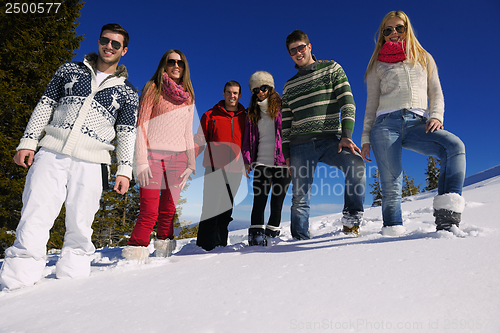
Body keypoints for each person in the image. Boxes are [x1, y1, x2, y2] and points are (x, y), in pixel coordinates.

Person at [0, 24, 139, 290]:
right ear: (98, 42)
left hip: (93, 162)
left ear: (124, 50)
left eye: (115, 44)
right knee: (35, 215)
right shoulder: (69, 70)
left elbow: (126, 132)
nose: (108, 47)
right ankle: (16, 282)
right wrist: (28, 141)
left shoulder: (128, 91)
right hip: (52, 152)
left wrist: (124, 169)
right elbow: (45, 105)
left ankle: (71, 287)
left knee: (80, 224)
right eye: (104, 41)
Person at [360, 11, 466, 235]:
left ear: (407, 29)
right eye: (387, 30)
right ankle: (392, 231)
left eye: (399, 28)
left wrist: (436, 116)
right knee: (392, 183)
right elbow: (371, 105)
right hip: (384, 125)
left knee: (454, 147)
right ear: (382, 35)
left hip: (418, 123)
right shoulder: (376, 65)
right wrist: (365, 138)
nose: (394, 33)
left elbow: (435, 91)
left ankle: (447, 220)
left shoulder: (423, 57)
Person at [282, 30, 366, 240]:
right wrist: (286, 153)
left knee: (356, 165)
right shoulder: (289, 86)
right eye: (293, 50)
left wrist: (346, 134)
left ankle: (351, 220)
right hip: (299, 146)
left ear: (310, 47)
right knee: (300, 197)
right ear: (290, 54)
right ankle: (299, 239)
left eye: (301, 47)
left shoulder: (331, 68)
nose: (298, 52)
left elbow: (347, 102)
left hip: (331, 140)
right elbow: (285, 123)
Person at [122, 50, 195, 261]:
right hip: (153, 157)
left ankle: (164, 253)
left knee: (169, 209)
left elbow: (187, 133)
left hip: (179, 159)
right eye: (171, 61)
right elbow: (141, 126)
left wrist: (190, 162)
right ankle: (136, 251)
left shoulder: (188, 97)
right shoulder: (153, 88)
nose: (176, 65)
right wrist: (141, 161)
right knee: (149, 209)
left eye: (180, 62)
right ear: (164, 64)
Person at [194, 81, 246, 251]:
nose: (232, 96)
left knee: (226, 209)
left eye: (236, 93)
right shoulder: (210, 115)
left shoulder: (245, 117)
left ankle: (220, 245)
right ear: (223, 94)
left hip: (237, 170)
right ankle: (204, 246)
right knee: (210, 208)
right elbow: (199, 141)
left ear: (239, 95)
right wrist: (189, 159)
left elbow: (249, 142)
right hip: (214, 167)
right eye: (229, 92)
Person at [242, 71, 291, 246]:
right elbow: (247, 140)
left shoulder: (284, 107)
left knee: (277, 203)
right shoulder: (251, 113)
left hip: (283, 164)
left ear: (270, 88)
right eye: (256, 90)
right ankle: (255, 236)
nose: (260, 92)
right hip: (261, 163)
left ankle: (272, 234)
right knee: (259, 200)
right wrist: (247, 160)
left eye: (264, 88)